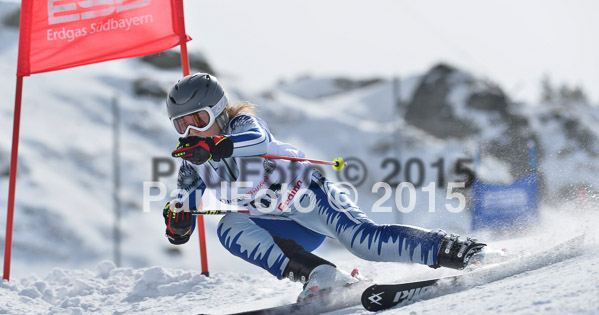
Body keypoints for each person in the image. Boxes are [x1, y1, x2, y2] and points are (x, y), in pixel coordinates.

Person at [162, 73, 486, 301]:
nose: (191, 130)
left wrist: (218, 146)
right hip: (285, 225)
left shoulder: (241, 125)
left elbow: (258, 140)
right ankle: (321, 276)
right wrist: (178, 222)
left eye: (198, 120)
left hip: (309, 198)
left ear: (219, 112)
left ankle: (460, 250)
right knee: (229, 226)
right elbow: (184, 205)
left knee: (365, 243)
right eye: (181, 124)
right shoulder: (193, 162)